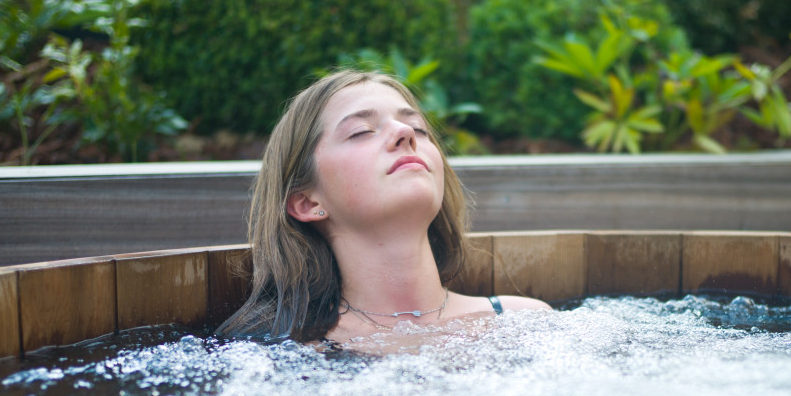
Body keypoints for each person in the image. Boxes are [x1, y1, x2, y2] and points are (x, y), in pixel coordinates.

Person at [216, 70, 549, 346]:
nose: (405, 133)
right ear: (307, 202)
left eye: (418, 128)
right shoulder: (282, 353)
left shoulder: (525, 323)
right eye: (360, 132)